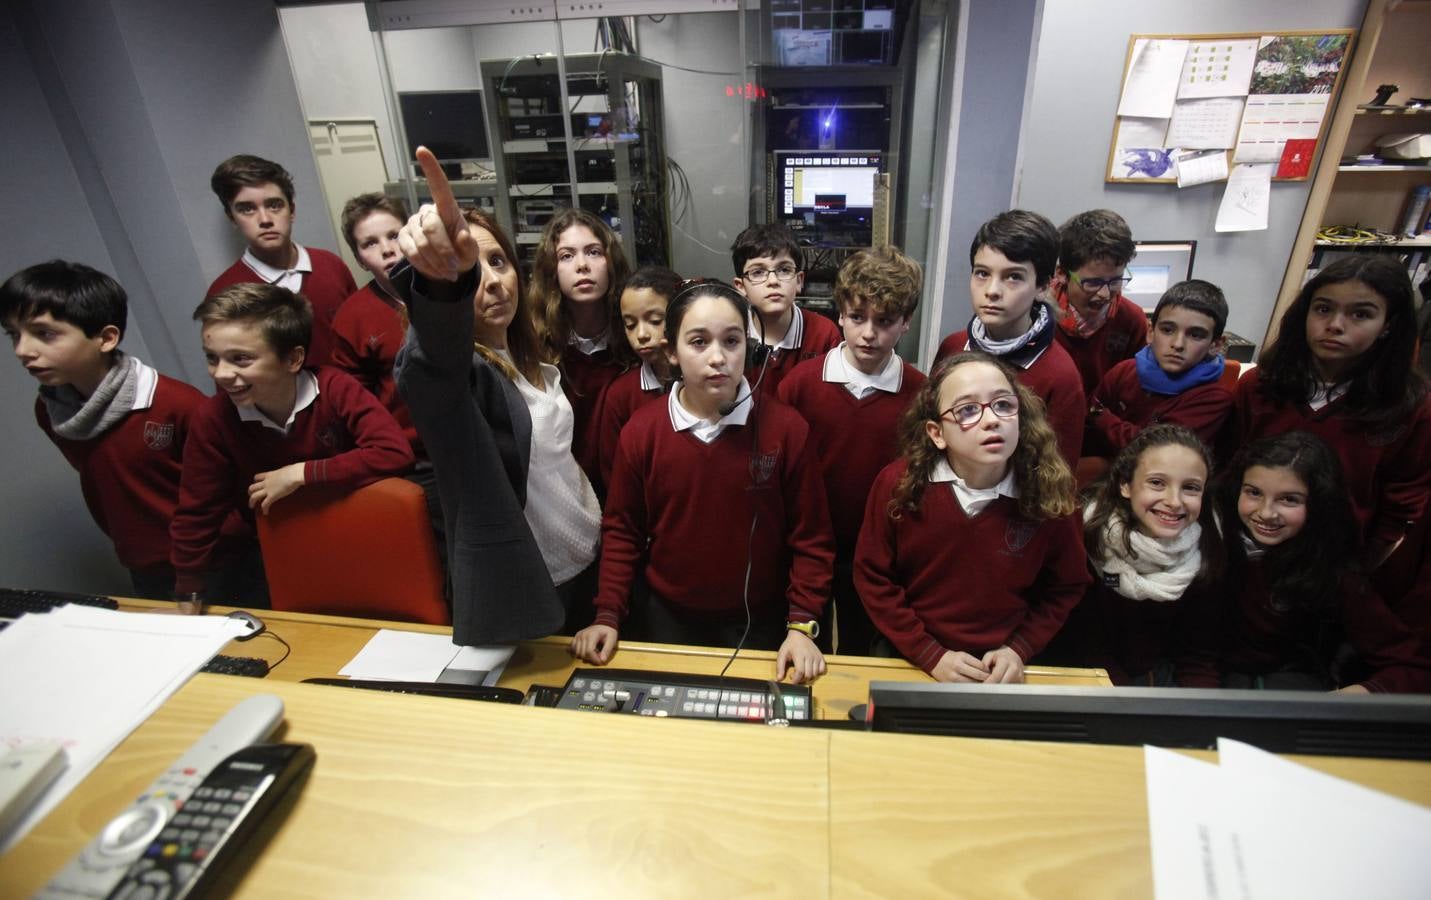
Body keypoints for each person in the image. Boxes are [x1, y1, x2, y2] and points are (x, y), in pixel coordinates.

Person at [570, 280, 835, 683]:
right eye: (698, 342)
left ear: (750, 348)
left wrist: (801, 626)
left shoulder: (786, 429)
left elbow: (811, 538)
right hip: (666, 618)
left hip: (762, 623)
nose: (718, 358)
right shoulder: (642, 432)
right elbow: (623, 530)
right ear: (672, 352)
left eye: (731, 341)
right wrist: (608, 614)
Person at [394, 149, 600, 642]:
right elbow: (429, 366)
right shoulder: (457, 376)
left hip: (588, 554)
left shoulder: (538, 362)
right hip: (532, 583)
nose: (492, 281)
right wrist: (445, 286)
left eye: (498, 261)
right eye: (473, 270)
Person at [171, 283, 414, 607]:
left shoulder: (334, 388)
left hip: (363, 535)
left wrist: (302, 474)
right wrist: (189, 588)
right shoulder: (213, 419)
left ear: (293, 359)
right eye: (212, 359)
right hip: (285, 550)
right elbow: (198, 511)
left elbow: (394, 452)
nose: (222, 374)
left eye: (240, 359)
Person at [854, 351, 1089, 683]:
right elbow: (873, 577)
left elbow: (1066, 586)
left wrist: (1018, 649)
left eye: (1004, 405)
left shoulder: (1050, 492)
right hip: (912, 654)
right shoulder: (898, 485)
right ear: (937, 433)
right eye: (967, 410)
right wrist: (928, 654)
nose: (992, 420)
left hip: (1003, 664)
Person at [2, 260, 205, 598]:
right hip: (143, 565)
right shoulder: (50, 409)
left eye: (44, 333)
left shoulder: (176, 404)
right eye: (13, 334)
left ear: (106, 338)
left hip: (215, 563)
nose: (23, 350)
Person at [1230, 255, 1431, 576]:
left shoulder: (1409, 407)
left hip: (1332, 571)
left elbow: (1400, 510)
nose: (1336, 325)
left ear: (1388, 325)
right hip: (1245, 552)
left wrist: (1357, 573)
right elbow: (1231, 467)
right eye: (1323, 309)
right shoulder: (1259, 386)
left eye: (1360, 314)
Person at [777, 245, 926, 655]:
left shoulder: (921, 393)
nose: (868, 333)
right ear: (839, 314)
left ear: (906, 323)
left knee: (868, 650)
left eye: (885, 321)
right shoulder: (800, 385)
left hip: (882, 556)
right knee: (807, 644)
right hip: (808, 549)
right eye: (857, 318)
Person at [1206, 432, 1429, 693]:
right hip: (1201, 683)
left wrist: (1367, 690)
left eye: (1289, 499)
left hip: (1286, 689)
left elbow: (1412, 665)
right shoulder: (1209, 542)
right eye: (1254, 493)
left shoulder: (1333, 570)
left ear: (1318, 504)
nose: (1266, 513)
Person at [933, 210, 1085, 468]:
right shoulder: (953, 347)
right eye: (982, 273)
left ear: (1043, 286)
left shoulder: (1060, 376)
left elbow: (1057, 483)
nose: (992, 291)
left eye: (1013, 277)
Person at [1080, 425, 1224, 685]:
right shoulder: (1087, 539)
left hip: (1164, 680)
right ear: (1125, 485)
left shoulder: (1209, 546)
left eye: (1190, 487)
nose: (1175, 501)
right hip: (1098, 682)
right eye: (1157, 483)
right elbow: (1087, 643)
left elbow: (1199, 655)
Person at [205, 154, 356, 367]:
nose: (265, 220)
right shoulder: (225, 292)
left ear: (291, 210)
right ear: (232, 218)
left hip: (354, 396)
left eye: (274, 205)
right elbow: (230, 378)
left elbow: (363, 337)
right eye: (247, 209)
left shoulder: (331, 266)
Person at [529, 208, 631, 488]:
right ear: (552, 270)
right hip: (562, 491)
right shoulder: (537, 346)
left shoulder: (635, 340)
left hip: (625, 489)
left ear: (611, 262)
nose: (582, 265)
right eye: (566, 256)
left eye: (594, 252)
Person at [1086, 280, 1234, 455]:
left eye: (1195, 335)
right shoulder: (1125, 371)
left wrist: (1104, 419)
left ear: (1216, 345)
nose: (1178, 344)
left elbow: (1158, 451)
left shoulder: (1213, 399)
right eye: (1167, 330)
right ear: (1150, 332)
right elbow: (1088, 419)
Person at [595, 265, 682, 488]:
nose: (641, 335)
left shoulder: (706, 380)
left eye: (654, 321)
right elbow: (613, 474)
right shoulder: (620, 395)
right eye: (630, 325)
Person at [730, 223, 841, 398]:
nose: (773, 281)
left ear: (799, 281)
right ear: (741, 286)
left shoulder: (824, 335)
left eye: (784, 270)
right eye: (758, 272)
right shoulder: (730, 335)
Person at [1050, 209, 1145, 395]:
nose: (1104, 294)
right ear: (1061, 274)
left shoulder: (1132, 320)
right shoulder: (1036, 315)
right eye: (1093, 283)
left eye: (1115, 281)